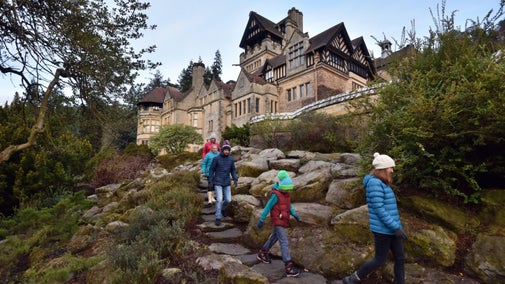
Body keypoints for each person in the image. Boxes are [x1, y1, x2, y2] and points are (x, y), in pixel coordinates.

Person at [343, 152, 408, 284]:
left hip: (392, 228)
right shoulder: (374, 184)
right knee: (380, 259)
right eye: (391, 167)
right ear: (383, 169)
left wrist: (397, 227)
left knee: (400, 258)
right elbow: (379, 209)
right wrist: (395, 227)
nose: (392, 170)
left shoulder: (382, 183)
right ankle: (353, 279)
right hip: (382, 230)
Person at [256, 170, 301, 278]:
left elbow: (289, 206)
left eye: (288, 190)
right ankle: (288, 265)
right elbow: (267, 207)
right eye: (285, 189)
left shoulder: (286, 194)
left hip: (283, 219)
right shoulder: (275, 195)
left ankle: (262, 252)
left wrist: (295, 214)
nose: (287, 191)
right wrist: (261, 219)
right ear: (281, 186)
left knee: (274, 237)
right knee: (284, 241)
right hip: (277, 220)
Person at [208, 144, 238, 226]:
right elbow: (211, 170)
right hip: (218, 182)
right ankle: (218, 217)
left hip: (227, 182)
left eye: (228, 150)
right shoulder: (216, 159)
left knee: (228, 200)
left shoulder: (231, 160)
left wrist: (235, 178)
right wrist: (210, 181)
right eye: (225, 150)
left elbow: (233, 170)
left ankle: (223, 209)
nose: (227, 151)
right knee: (219, 199)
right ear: (222, 150)